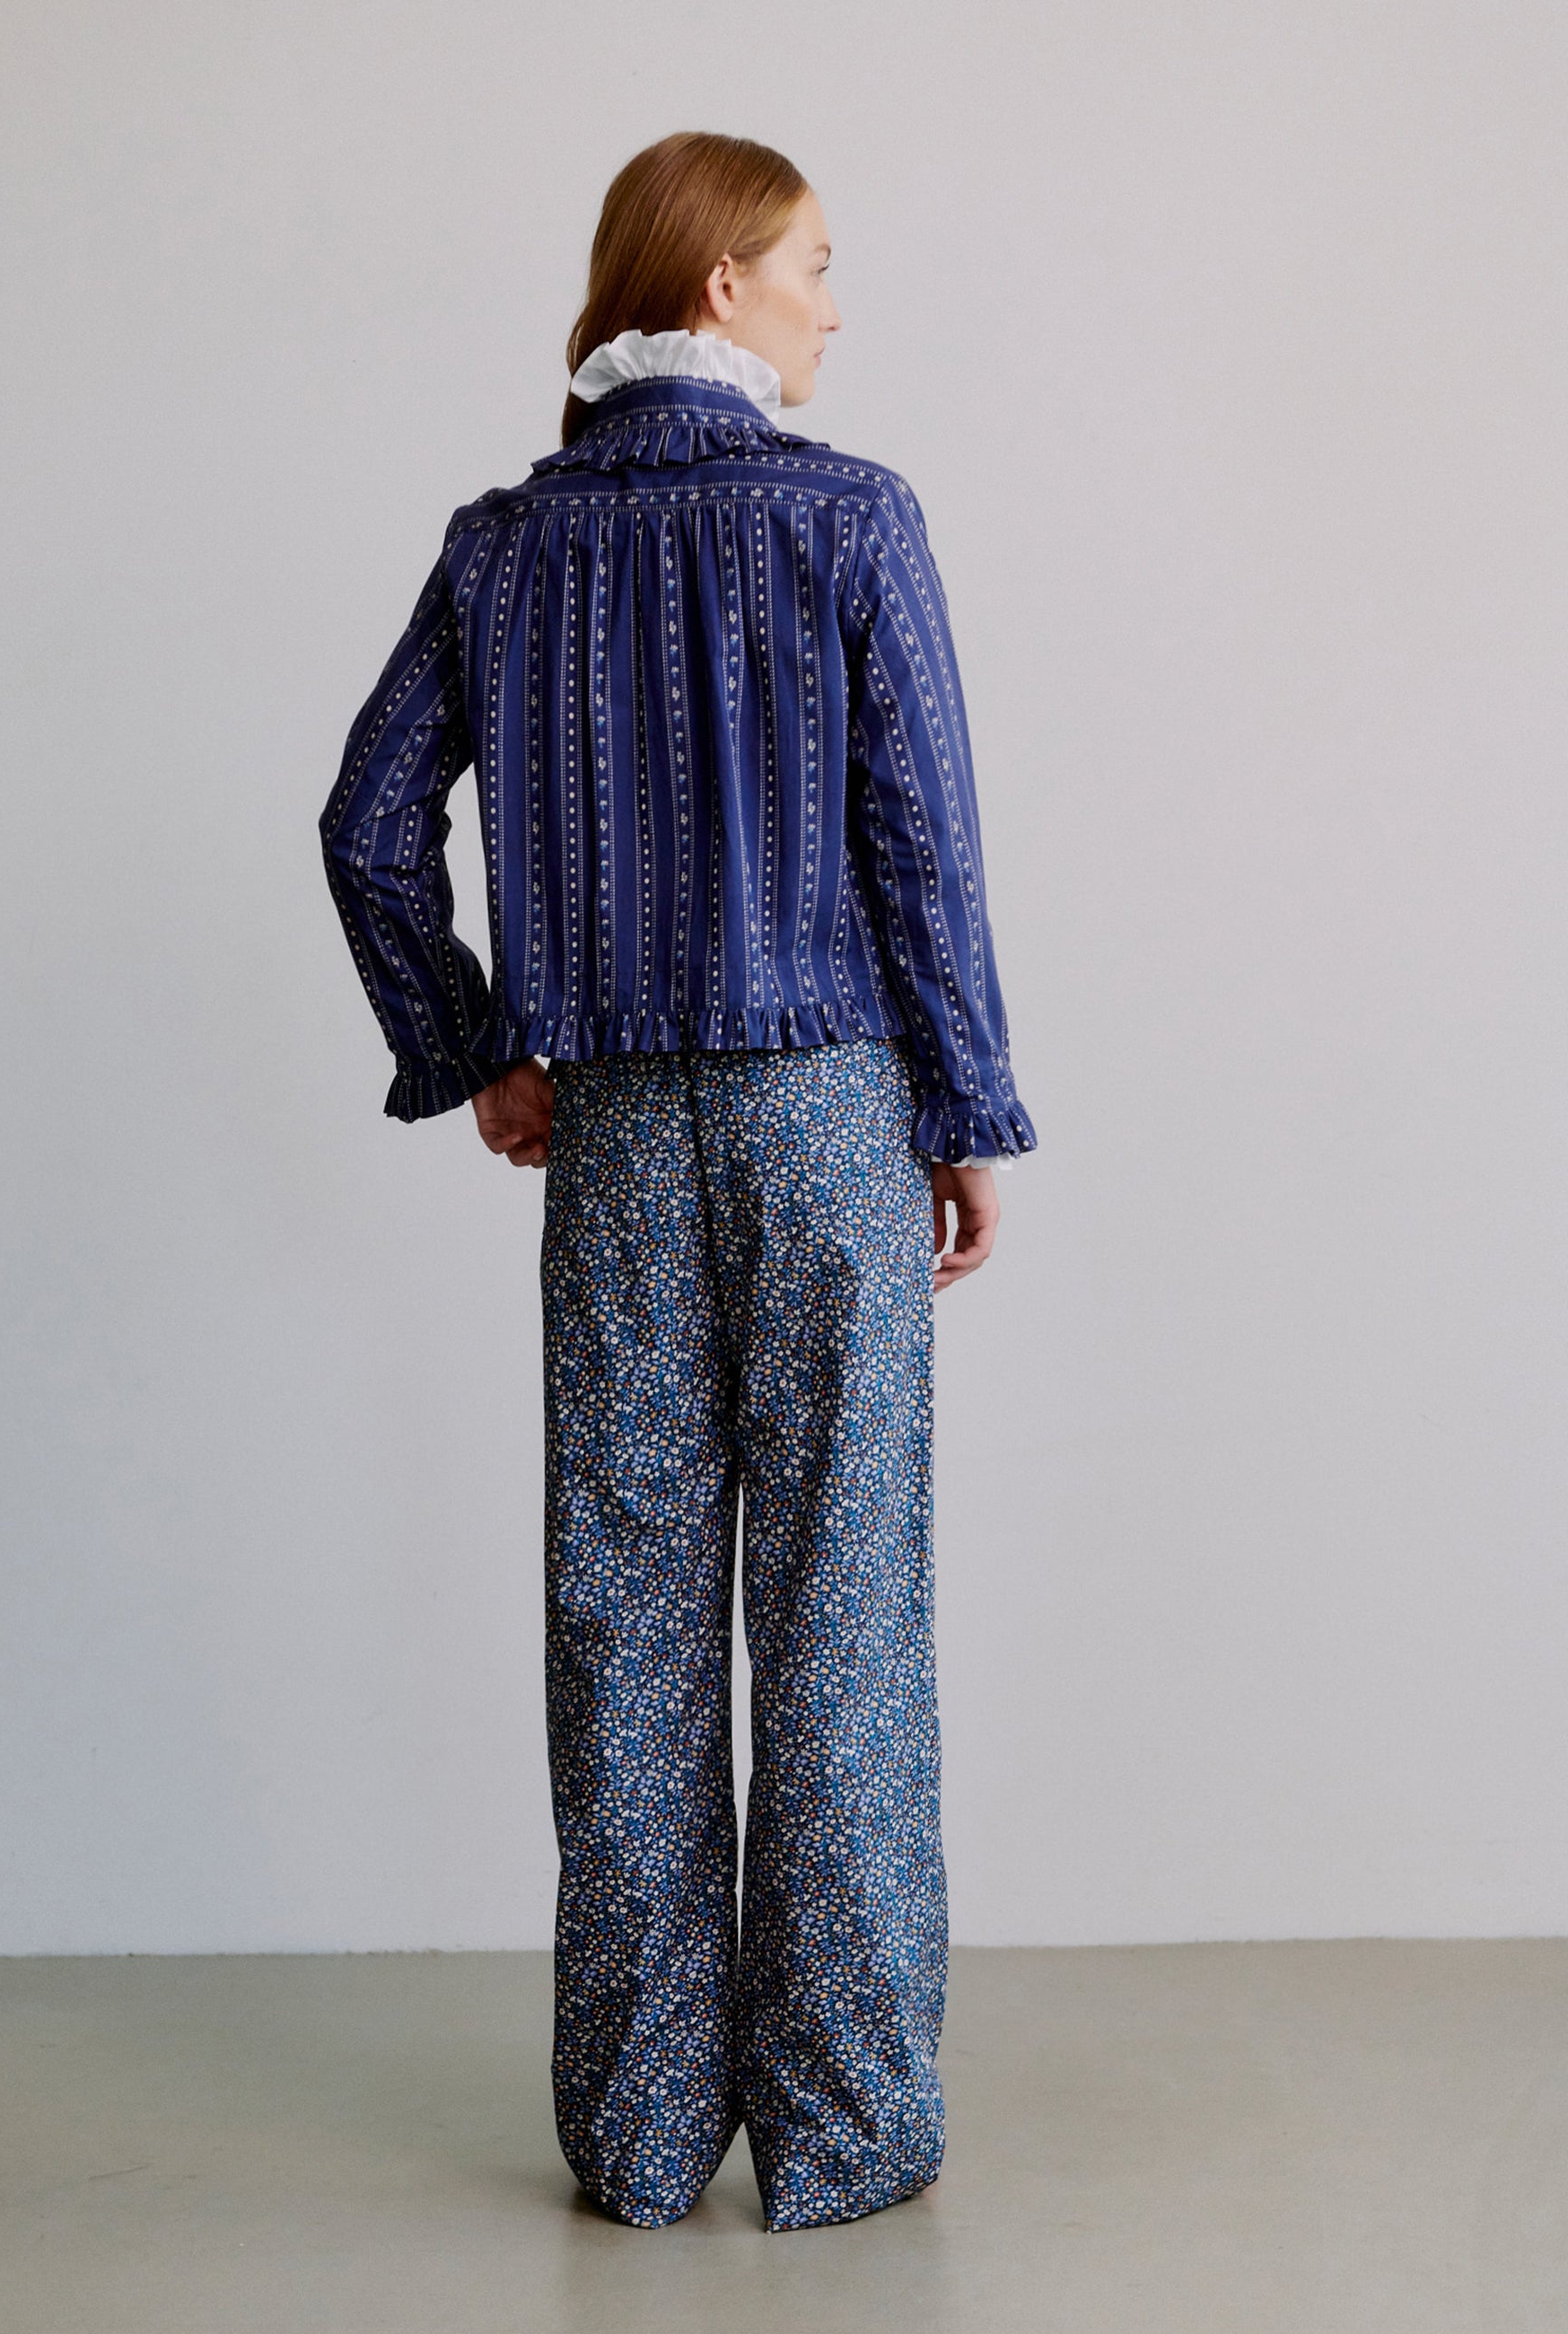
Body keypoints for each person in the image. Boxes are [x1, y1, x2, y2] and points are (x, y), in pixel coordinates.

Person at [319, 130, 1039, 2234]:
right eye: (815, 261)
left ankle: (636, 2137)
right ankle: (842, 2132)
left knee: (622, 1619)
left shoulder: (504, 543)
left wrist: (473, 1047)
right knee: (841, 1614)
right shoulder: (852, 518)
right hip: (829, 1118)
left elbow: (367, 829)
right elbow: (919, 839)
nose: (836, 299)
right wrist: (967, 1110)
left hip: (617, 1135)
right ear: (718, 284)